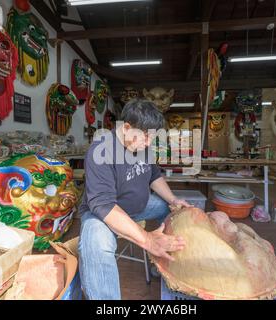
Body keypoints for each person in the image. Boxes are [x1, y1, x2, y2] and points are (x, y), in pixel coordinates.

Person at [78, 99, 192, 300]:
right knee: (95, 240)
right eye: (146, 137)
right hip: (106, 212)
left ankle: (166, 265)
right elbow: (103, 205)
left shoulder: (143, 147)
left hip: (141, 206)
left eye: (152, 138)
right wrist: (147, 240)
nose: (148, 143)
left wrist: (173, 200)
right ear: (127, 128)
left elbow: (154, 176)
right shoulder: (101, 151)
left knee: (174, 211)